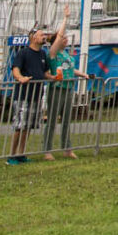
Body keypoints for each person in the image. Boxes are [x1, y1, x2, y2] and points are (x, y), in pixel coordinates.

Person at [7, 28, 49, 164]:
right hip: (23, 95)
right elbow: (15, 69)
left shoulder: (43, 54)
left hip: (36, 95)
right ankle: (12, 155)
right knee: (19, 126)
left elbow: (45, 72)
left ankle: (21, 154)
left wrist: (54, 77)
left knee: (28, 127)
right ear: (33, 38)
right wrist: (21, 78)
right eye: (42, 35)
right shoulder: (23, 53)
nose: (44, 36)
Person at [42, 26, 77, 160]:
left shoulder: (66, 54)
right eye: (63, 38)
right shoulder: (53, 54)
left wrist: (84, 74)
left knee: (66, 119)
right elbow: (57, 40)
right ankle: (47, 150)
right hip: (56, 87)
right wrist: (65, 18)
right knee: (52, 119)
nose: (65, 39)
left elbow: (71, 69)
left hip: (68, 87)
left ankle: (67, 148)